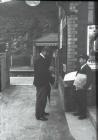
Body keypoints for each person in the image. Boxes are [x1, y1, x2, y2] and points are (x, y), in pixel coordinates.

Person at [33, 47, 55, 121]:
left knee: (44, 99)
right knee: (40, 99)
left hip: (44, 82)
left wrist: (49, 71)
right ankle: (39, 115)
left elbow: (44, 70)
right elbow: (40, 72)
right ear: (43, 51)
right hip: (41, 83)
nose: (47, 53)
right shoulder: (39, 60)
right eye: (47, 52)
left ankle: (42, 112)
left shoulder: (43, 59)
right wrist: (49, 70)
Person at [73, 54, 92, 119]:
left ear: (84, 60)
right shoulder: (80, 67)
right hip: (78, 86)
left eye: (81, 59)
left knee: (83, 100)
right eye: (79, 59)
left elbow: (90, 79)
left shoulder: (87, 68)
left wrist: (85, 87)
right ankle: (79, 111)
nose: (79, 60)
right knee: (78, 99)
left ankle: (83, 114)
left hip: (83, 88)